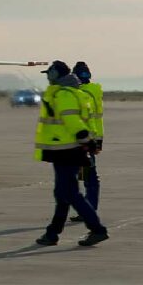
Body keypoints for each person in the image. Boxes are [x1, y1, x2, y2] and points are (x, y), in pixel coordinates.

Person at [34, 60, 108, 247]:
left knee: (71, 193)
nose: (47, 77)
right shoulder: (64, 92)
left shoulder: (63, 95)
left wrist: (86, 140)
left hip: (68, 150)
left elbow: (72, 120)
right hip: (63, 150)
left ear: (57, 74)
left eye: (49, 73)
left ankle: (97, 229)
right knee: (62, 193)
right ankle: (52, 233)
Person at [70, 61, 103, 222]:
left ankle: (88, 210)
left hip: (85, 141)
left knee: (88, 177)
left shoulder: (82, 94)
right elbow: (98, 120)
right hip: (93, 138)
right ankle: (89, 208)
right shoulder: (94, 92)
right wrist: (99, 139)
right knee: (87, 176)